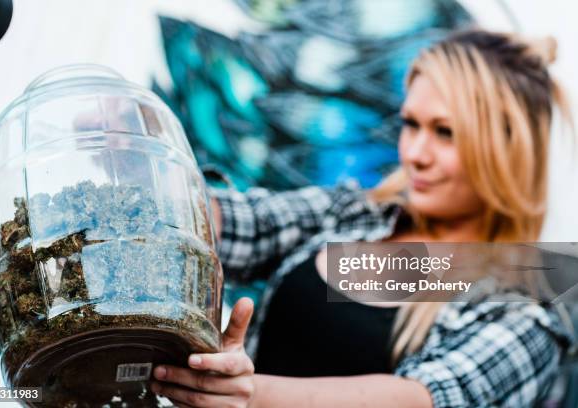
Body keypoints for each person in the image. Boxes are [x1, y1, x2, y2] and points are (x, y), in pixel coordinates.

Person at [151, 29, 575, 407]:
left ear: (508, 152)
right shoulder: (357, 214)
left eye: (446, 133)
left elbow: (421, 398)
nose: (415, 154)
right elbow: (242, 225)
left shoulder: (525, 305)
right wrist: (156, 188)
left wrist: (249, 393)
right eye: (412, 125)